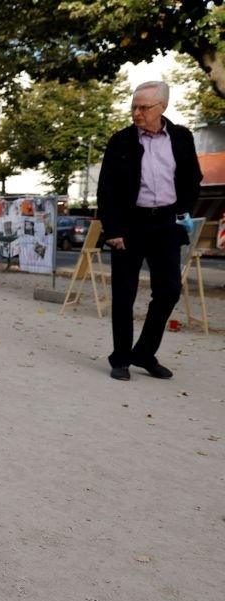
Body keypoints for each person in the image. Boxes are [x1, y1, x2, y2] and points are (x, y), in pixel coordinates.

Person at [96, 81, 202, 381]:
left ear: (162, 107)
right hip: (129, 225)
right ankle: (120, 358)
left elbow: (193, 177)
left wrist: (183, 210)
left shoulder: (181, 137)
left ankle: (144, 352)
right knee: (124, 294)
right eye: (134, 107)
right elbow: (107, 189)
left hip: (167, 224)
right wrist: (113, 229)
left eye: (144, 107)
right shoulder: (121, 141)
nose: (137, 113)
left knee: (169, 291)